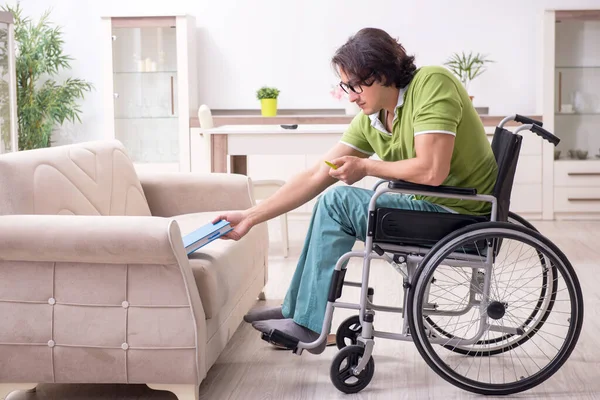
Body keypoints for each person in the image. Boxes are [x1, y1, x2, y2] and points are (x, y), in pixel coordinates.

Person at [213, 27, 497, 354]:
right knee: (330, 198)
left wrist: (366, 166)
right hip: (430, 212)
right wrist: (250, 216)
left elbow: (432, 171)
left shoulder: (432, 84)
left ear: (382, 74)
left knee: (338, 201)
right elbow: (318, 173)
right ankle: (300, 313)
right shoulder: (372, 118)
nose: (350, 96)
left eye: (355, 85)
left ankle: (307, 321)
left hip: (460, 217)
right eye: (345, 86)